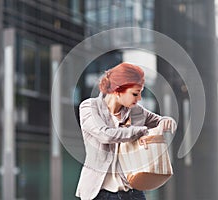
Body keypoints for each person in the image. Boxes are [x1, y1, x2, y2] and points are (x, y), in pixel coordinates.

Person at [75, 62, 176, 200]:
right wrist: (139, 131)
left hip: (132, 192)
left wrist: (167, 121)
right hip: (99, 193)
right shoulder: (89, 107)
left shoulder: (136, 112)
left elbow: (160, 120)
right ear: (117, 90)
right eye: (135, 93)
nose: (139, 98)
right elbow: (105, 134)